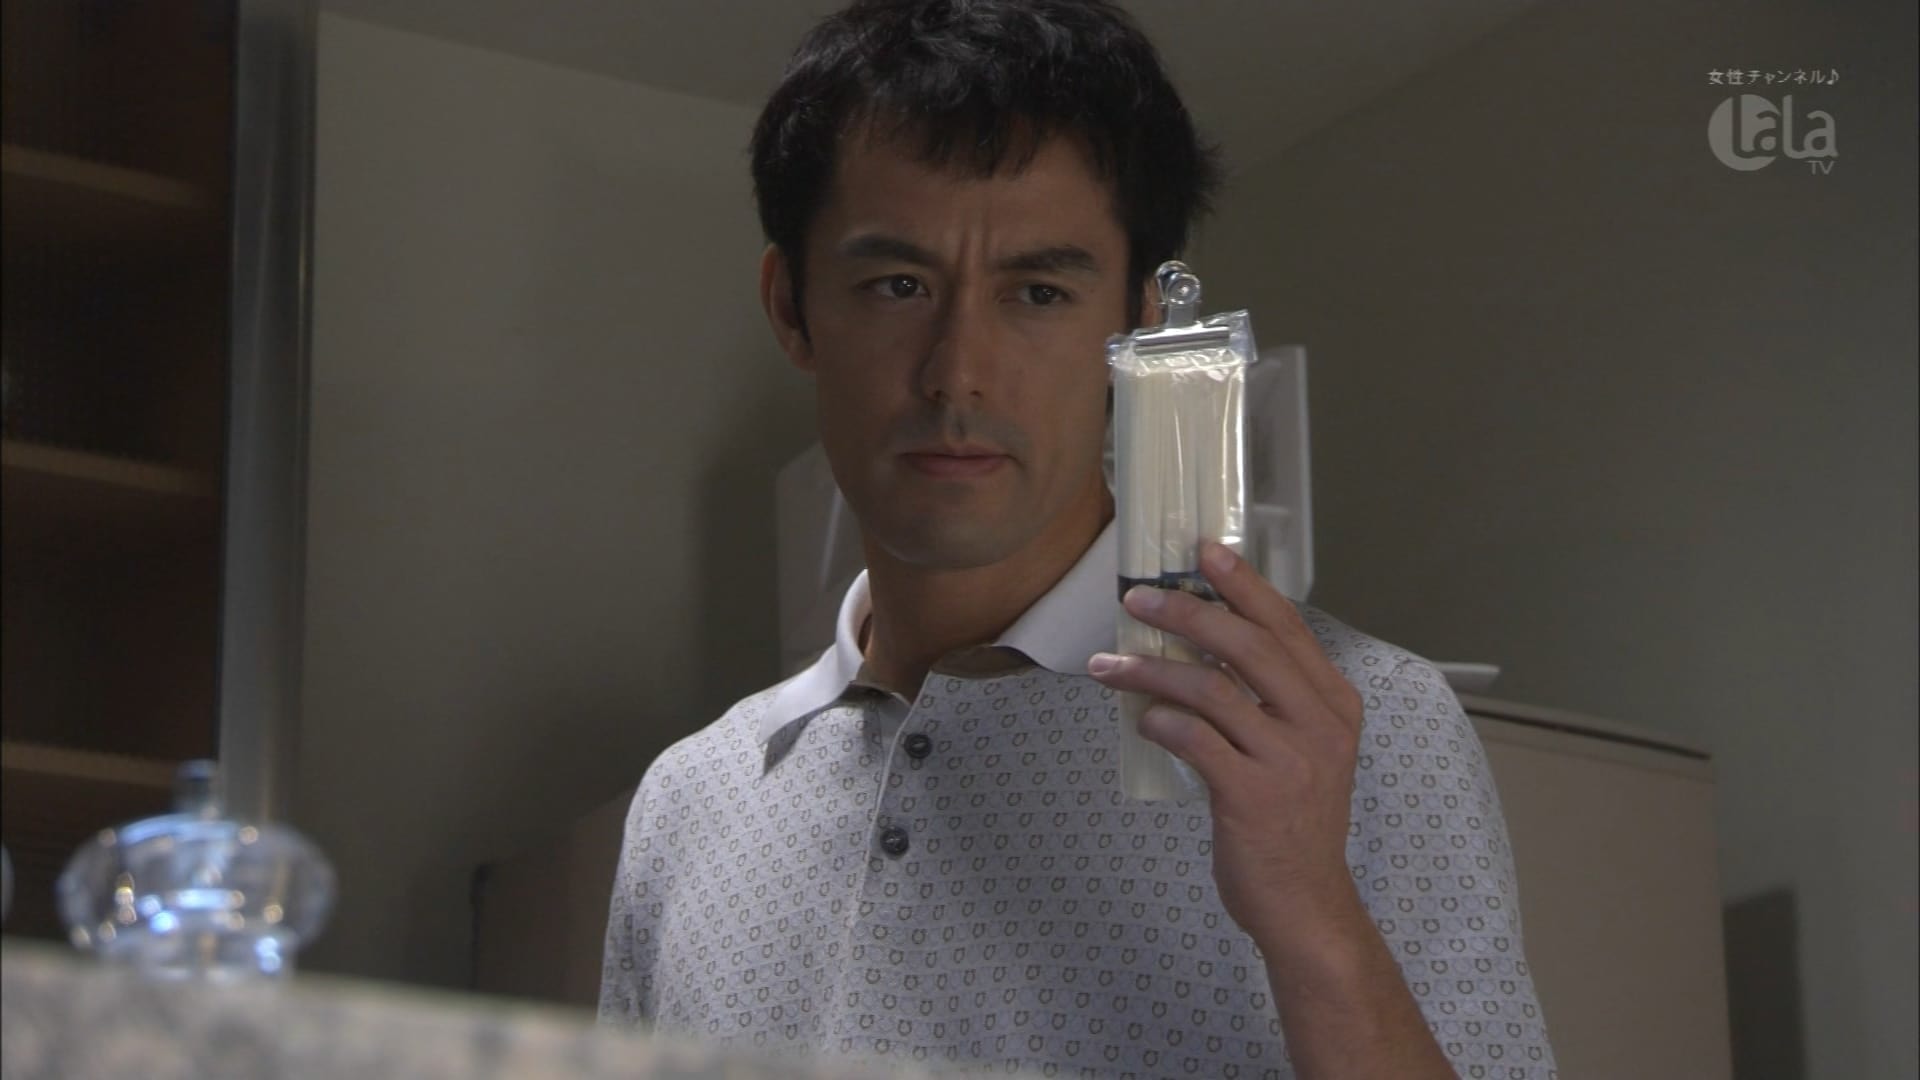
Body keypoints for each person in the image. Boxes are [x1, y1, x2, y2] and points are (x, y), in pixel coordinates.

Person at [599, 2, 1557, 1077]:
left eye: (1040, 292)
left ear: (1137, 325)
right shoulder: (687, 803)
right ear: (793, 308)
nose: (958, 373)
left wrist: (1314, 919)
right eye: (897, 285)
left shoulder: (1368, 727)